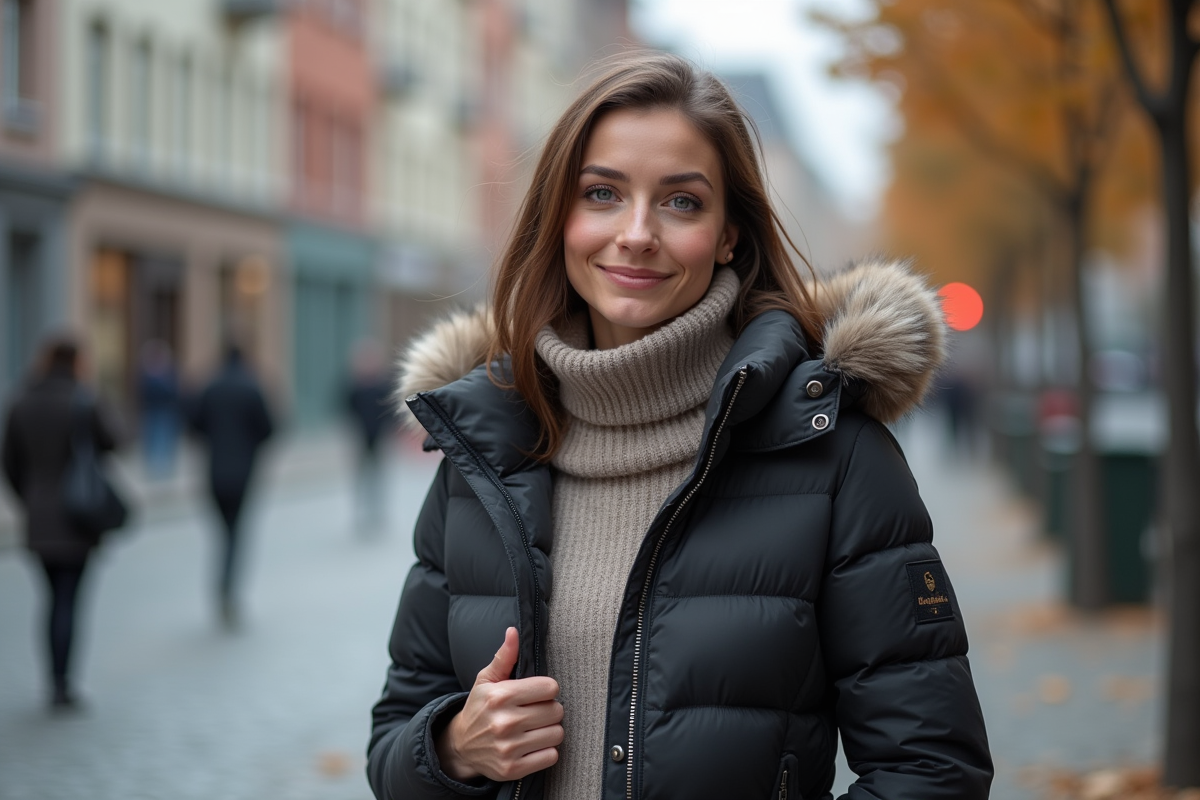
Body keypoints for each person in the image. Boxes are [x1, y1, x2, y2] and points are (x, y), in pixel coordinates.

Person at [368, 52, 993, 800]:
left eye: (681, 202)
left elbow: (931, 769)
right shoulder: (482, 454)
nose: (636, 233)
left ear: (730, 233)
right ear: (559, 219)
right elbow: (394, 742)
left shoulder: (834, 454)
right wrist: (451, 745)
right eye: (601, 193)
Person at [2, 335, 121, 710]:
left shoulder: (21, 401)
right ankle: (62, 683)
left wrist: (29, 498)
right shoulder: (83, 400)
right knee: (69, 600)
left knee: (51, 599)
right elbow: (114, 440)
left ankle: (52, 679)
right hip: (78, 515)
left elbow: (9, 461)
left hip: (38, 516)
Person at [187, 344, 274, 629]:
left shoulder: (210, 388)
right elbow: (269, 428)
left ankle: (223, 588)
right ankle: (229, 591)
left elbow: (194, 424)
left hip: (214, 472)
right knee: (235, 535)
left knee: (223, 533)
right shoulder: (251, 388)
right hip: (243, 472)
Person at [344, 338, 395, 533]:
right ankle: (361, 511)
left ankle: (377, 511)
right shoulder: (354, 386)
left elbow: (390, 411)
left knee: (378, 474)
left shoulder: (383, 385)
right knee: (362, 475)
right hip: (360, 438)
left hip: (379, 437)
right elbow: (347, 409)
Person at [137, 339, 181, 479]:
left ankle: (163, 466)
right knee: (153, 437)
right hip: (152, 410)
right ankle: (154, 466)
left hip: (165, 410)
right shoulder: (148, 372)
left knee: (164, 437)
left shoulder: (167, 371)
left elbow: (175, 390)